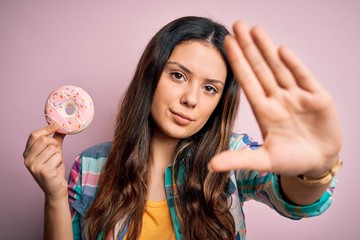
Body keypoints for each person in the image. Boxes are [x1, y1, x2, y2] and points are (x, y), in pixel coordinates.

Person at [23, 16, 343, 240]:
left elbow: (296, 200)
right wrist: (54, 196)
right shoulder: (92, 165)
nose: (191, 99)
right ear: (151, 75)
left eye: (210, 88)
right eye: (178, 75)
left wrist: (314, 170)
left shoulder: (232, 156)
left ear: (220, 101)